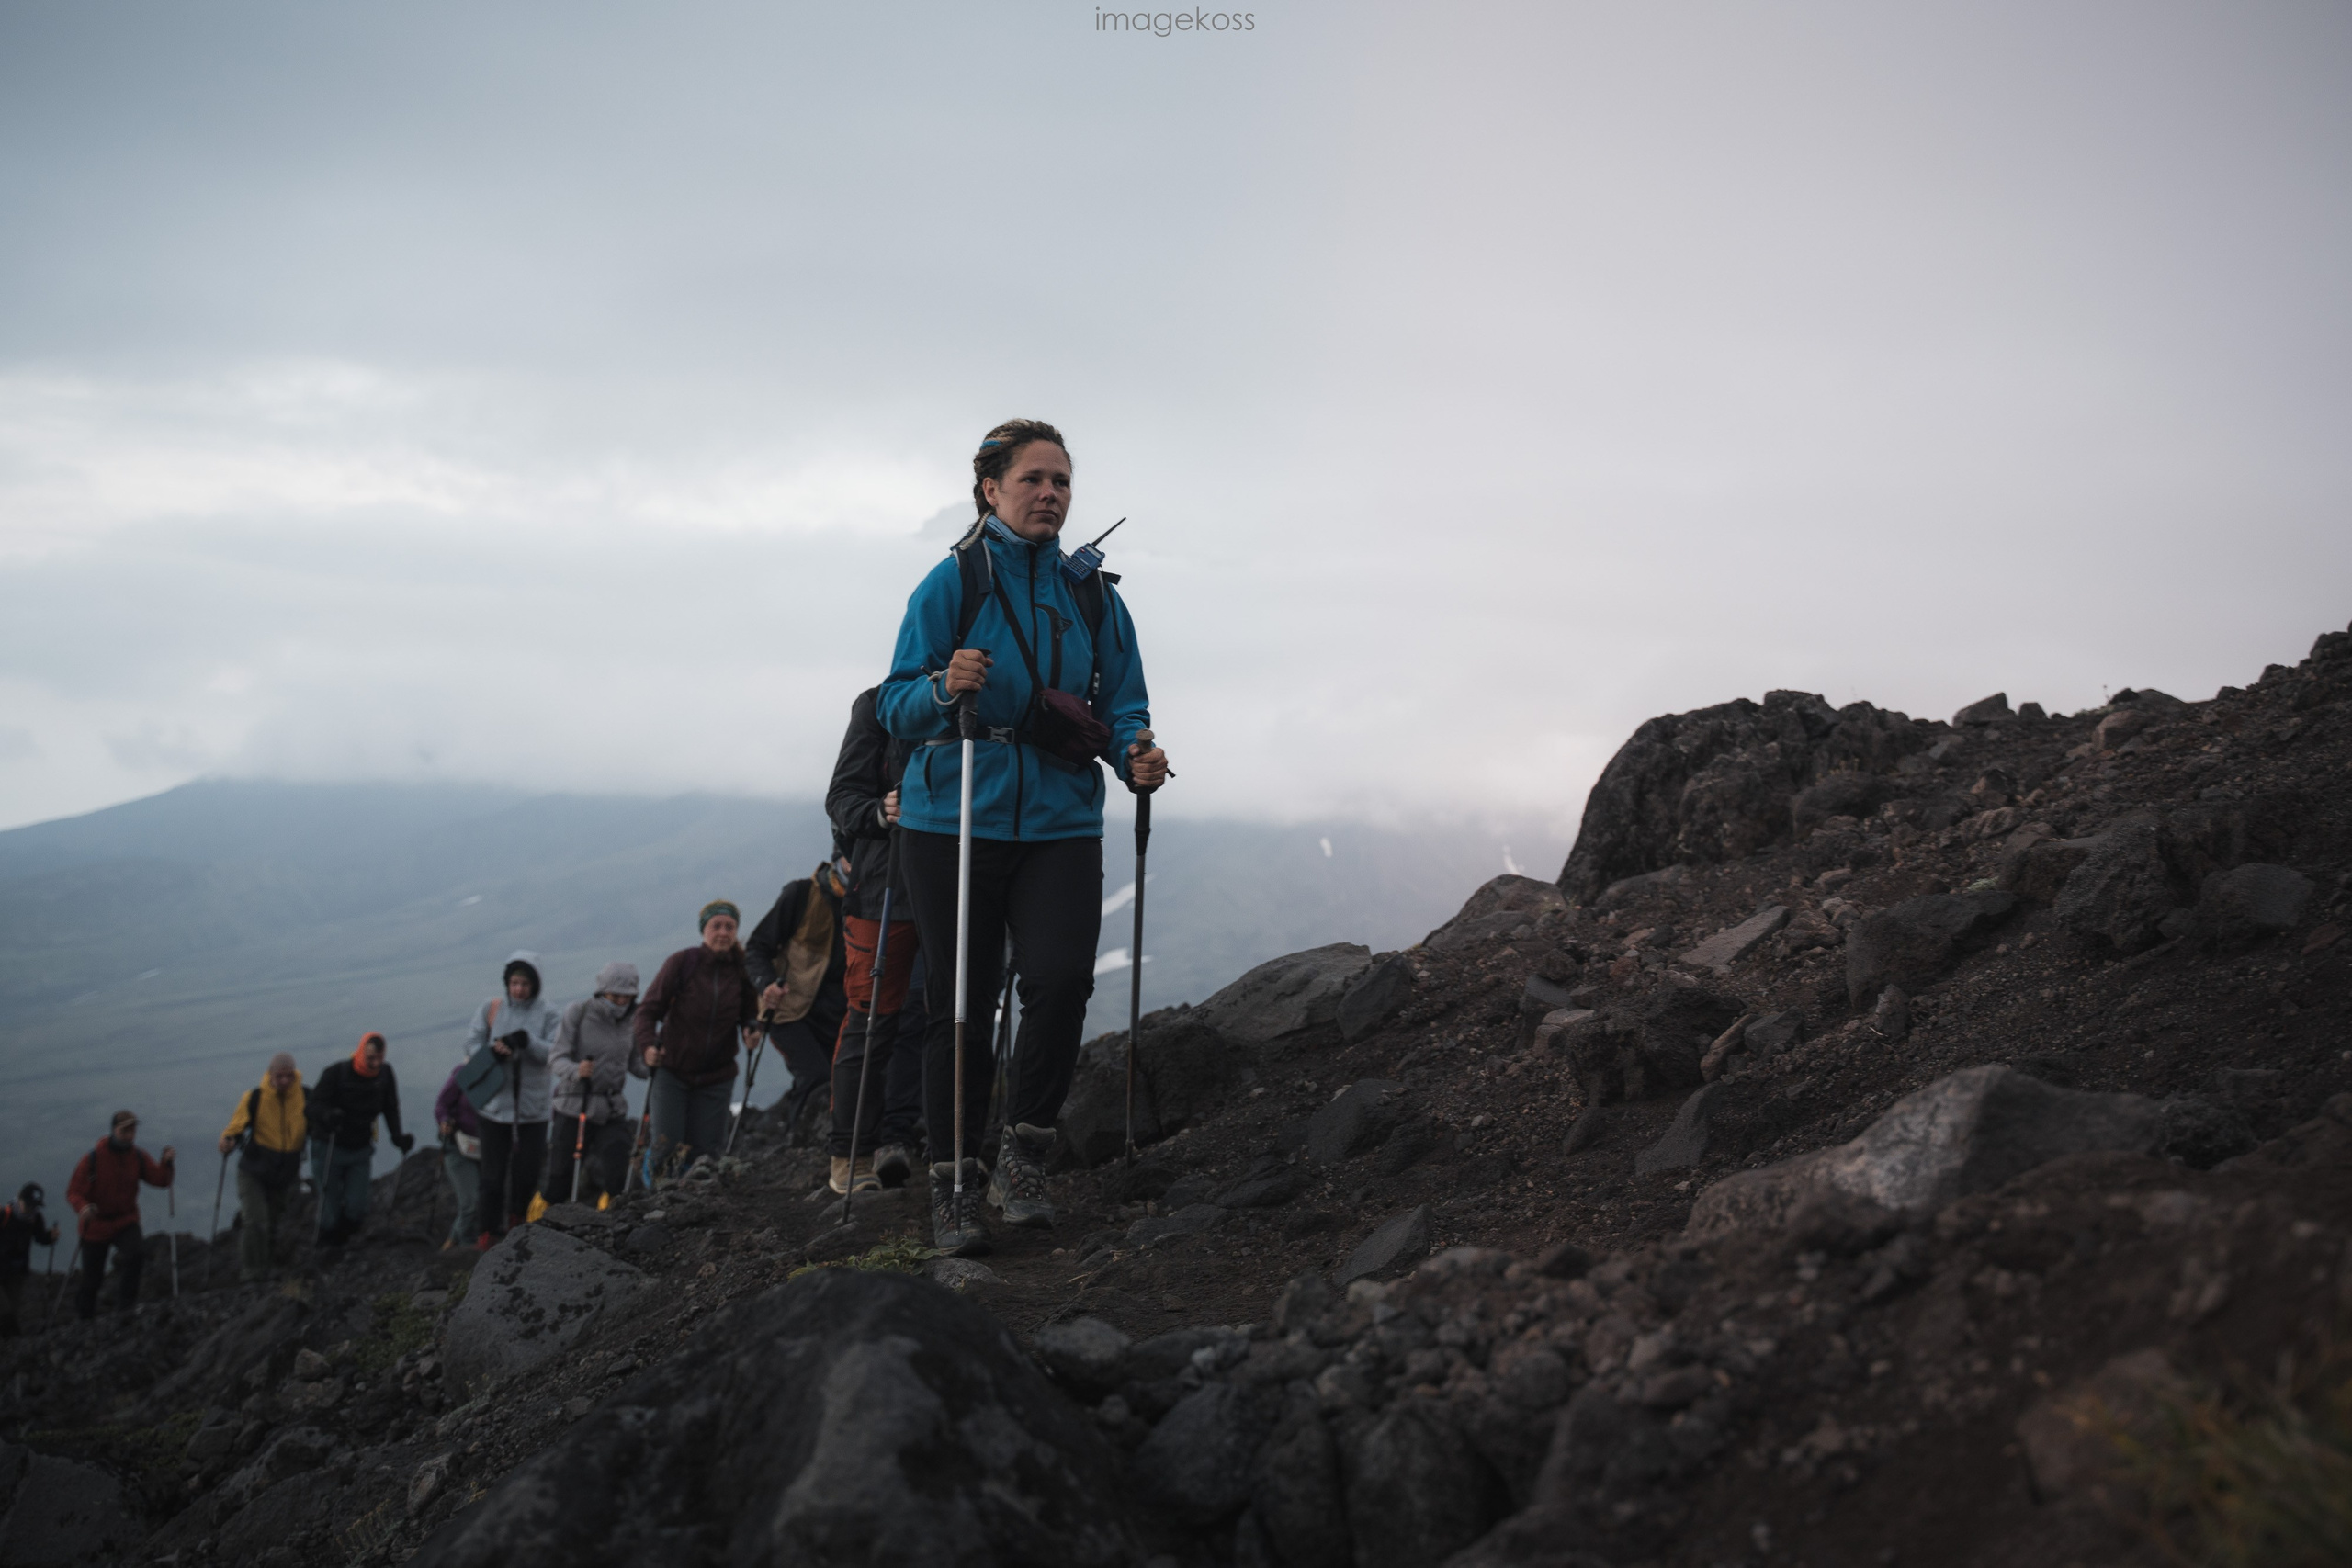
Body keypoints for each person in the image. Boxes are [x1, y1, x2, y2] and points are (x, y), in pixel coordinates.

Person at [877, 418, 1168, 1254]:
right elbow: (891, 700)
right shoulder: (950, 583)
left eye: (1063, 482)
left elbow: (1123, 703)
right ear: (990, 490)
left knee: (1061, 980)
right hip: (952, 816)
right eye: (1035, 479)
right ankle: (956, 1182)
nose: (1051, 494)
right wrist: (941, 686)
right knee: (961, 1002)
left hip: (1060, 821)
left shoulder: (1093, 596)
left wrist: (1136, 751)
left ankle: (1024, 1153)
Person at [823, 684, 924, 1190]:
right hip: (885, 886)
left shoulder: (992, 693)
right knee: (872, 1020)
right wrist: (879, 813)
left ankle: (920, 1141)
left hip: (961, 883)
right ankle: (851, 1157)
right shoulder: (880, 705)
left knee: (939, 1015)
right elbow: (841, 797)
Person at [632, 903, 760, 1174]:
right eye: (716, 926)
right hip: (672, 1072)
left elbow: (750, 1013)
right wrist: (647, 1047)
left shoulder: (741, 970)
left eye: (730, 927)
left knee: (706, 1153)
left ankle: (694, 1207)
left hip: (717, 1077)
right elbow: (647, 1011)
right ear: (704, 930)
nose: (723, 932)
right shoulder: (682, 963)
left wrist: (752, 1029)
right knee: (666, 1148)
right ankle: (657, 1202)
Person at [744, 855, 851, 1160]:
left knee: (841, 1081)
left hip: (840, 1014)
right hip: (790, 1010)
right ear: (838, 856)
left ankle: (827, 1150)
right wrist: (767, 984)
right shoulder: (801, 894)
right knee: (814, 1076)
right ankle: (803, 1151)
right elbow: (757, 948)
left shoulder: (867, 899)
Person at [463, 951, 558, 1245]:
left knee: (527, 1173)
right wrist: (493, 1051)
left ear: (535, 984)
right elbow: (471, 1045)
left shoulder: (550, 1014)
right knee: (491, 1176)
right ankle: (488, 1234)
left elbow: (555, 1052)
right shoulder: (491, 1009)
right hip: (495, 1108)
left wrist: (527, 1042)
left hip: (533, 1108)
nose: (518, 989)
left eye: (525, 984)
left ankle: (520, 1226)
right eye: (514, 983)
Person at [308, 1032, 413, 1249]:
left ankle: (344, 1241)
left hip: (360, 1148)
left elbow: (390, 1107)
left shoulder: (384, 1075)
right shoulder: (337, 1073)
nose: (375, 1064)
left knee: (357, 1206)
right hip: (329, 1146)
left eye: (379, 1058)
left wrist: (397, 1137)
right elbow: (311, 1107)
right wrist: (329, 1116)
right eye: (370, 1058)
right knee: (330, 1203)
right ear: (360, 1052)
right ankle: (325, 1247)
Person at [65, 1111, 174, 1318]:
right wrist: (83, 1208)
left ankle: (125, 1307)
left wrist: (166, 1163)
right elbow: (74, 1191)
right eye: (125, 1130)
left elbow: (161, 1180)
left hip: (125, 1220)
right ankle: (84, 1319)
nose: (130, 1135)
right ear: (114, 1130)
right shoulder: (93, 1159)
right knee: (92, 1279)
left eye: (132, 1130)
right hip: (96, 1225)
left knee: (135, 1255)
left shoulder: (137, 1157)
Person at [548, 962, 639, 1204]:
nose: (621, 1002)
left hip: (611, 1108)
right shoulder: (578, 1013)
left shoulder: (632, 1022)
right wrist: (577, 1070)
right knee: (560, 1176)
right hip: (574, 1105)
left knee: (619, 1169)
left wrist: (656, 1063)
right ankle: (541, 1225)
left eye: (627, 997)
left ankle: (612, 1221)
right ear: (602, 992)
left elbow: (636, 1065)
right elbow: (556, 1059)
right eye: (615, 995)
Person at [217, 1054, 308, 1282]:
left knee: (275, 1223)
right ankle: (251, 1274)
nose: (285, 1081)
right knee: (256, 1221)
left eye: (289, 1076)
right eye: (280, 1076)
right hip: (254, 1172)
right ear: (270, 1075)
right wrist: (228, 1140)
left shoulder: (305, 1096)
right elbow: (236, 1127)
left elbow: (317, 1121)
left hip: (285, 1174)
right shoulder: (255, 1098)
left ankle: (266, 1271)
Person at [0, 1183, 61, 1337]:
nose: (31, 1209)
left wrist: (50, 1237)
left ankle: (10, 1348)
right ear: (19, 1200)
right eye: (28, 1205)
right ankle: (14, 1343)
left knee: (12, 1312)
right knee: (5, 1311)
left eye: (35, 1206)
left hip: (16, 1273)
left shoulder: (35, 1219)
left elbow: (40, 1237)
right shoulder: (4, 1215)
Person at [433, 1065, 483, 1250]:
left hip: (484, 1149)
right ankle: (466, 1246)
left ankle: (451, 1244)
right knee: (471, 1202)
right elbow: (442, 1103)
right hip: (458, 1146)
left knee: (478, 1200)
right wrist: (444, 1120)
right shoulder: (465, 1072)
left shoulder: (507, 1077)